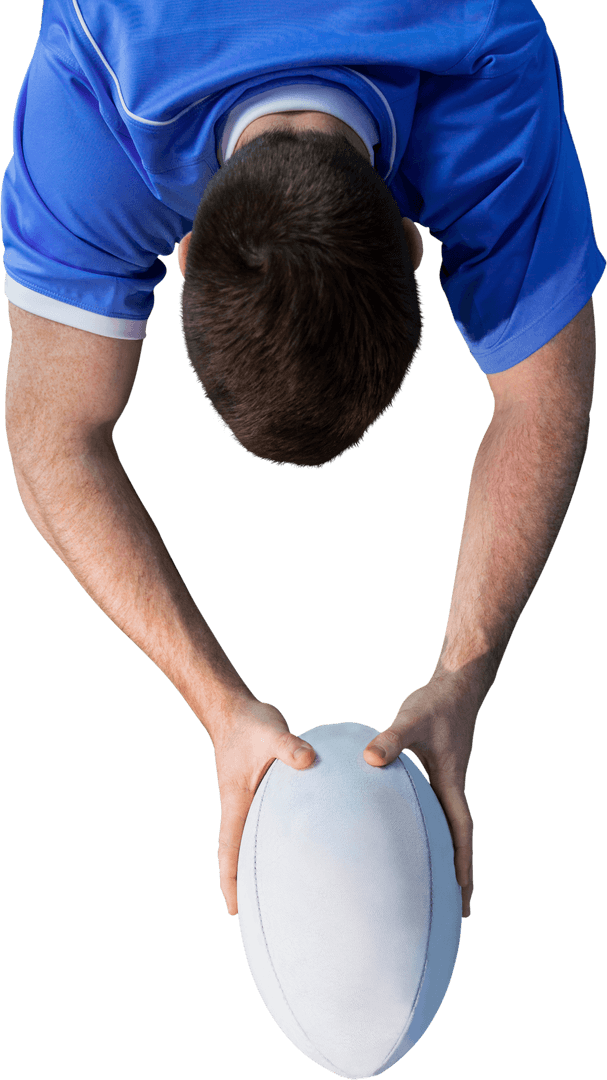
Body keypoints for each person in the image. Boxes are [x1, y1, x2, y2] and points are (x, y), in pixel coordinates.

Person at [3, 1, 604, 924]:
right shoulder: (486, 48)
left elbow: (51, 434)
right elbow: (47, 438)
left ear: (186, 248)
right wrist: (221, 703)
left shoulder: (100, 53)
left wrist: (460, 674)